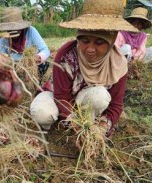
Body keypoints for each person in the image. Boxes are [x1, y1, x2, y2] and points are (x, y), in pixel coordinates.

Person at [30, 0, 138, 139]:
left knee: (100, 96)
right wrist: (76, 123)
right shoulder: (66, 55)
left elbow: (116, 105)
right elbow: (61, 97)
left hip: (87, 102)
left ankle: (87, 122)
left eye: (99, 42)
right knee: (41, 114)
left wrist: (101, 127)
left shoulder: (118, 63)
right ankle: (61, 123)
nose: (90, 49)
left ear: (111, 41)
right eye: (84, 41)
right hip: (56, 96)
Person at [0, 7, 50, 76]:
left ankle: (36, 82)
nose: (13, 32)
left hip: (31, 66)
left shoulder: (31, 31)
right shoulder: (4, 40)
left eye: (16, 29)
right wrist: (2, 59)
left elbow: (45, 50)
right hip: (14, 68)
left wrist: (38, 57)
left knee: (44, 65)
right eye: (10, 30)